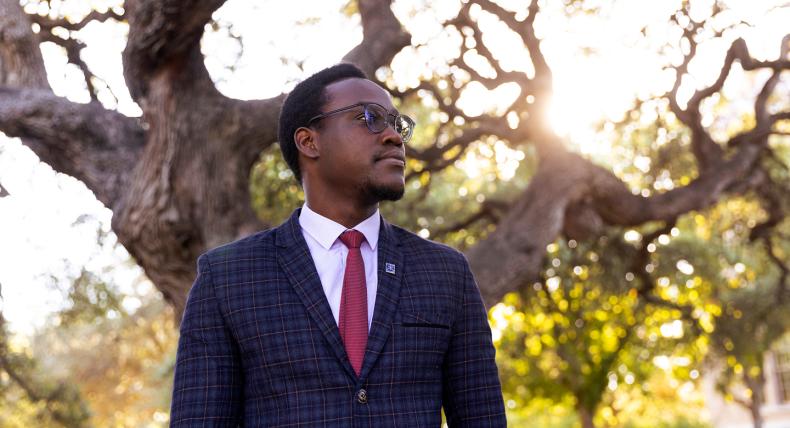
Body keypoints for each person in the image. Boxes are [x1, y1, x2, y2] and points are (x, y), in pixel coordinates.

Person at [169, 63, 506, 427]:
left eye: (397, 124)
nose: (394, 136)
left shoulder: (446, 273)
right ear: (309, 141)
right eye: (369, 118)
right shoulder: (227, 277)